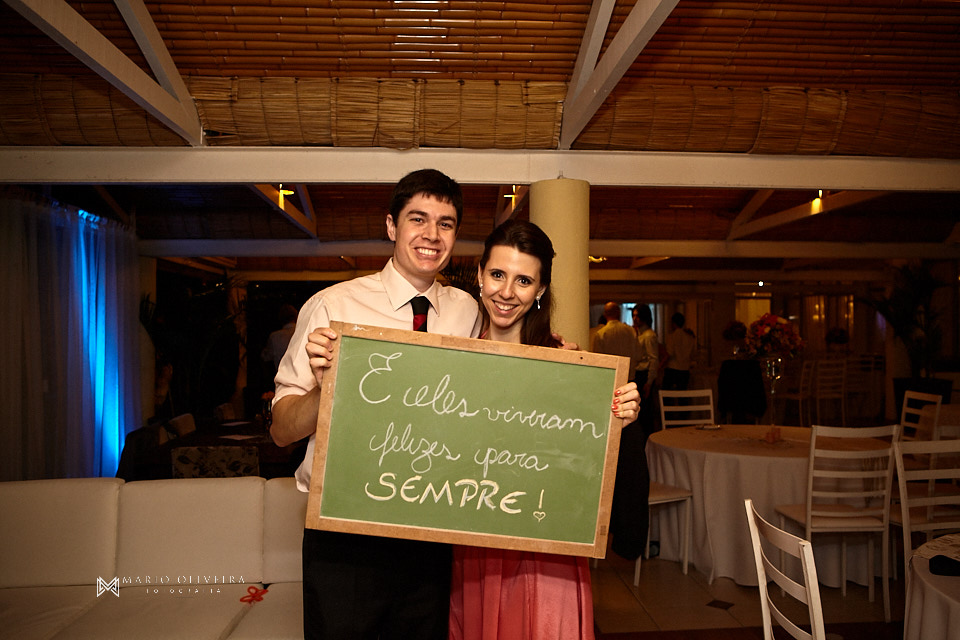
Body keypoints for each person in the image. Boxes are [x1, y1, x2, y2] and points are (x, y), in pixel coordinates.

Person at [270, 169, 482, 639]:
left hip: (431, 525)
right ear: (391, 226)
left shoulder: (467, 311)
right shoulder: (333, 306)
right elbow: (282, 430)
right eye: (418, 219)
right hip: (346, 532)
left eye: (445, 223)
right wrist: (328, 388)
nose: (431, 235)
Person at [449, 220, 639, 640]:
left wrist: (620, 412)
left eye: (523, 280)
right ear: (480, 275)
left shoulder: (565, 363)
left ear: (539, 291)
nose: (506, 291)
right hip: (475, 541)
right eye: (497, 274)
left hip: (546, 543)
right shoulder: (452, 357)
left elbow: (586, 462)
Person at [593, 301, 650, 562]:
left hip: (609, 396)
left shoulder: (602, 335)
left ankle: (619, 527)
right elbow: (639, 359)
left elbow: (599, 363)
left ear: (607, 315)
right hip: (629, 388)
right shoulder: (630, 333)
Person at [632, 303, 659, 435]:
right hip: (638, 374)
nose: (635, 318)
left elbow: (653, 359)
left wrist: (649, 382)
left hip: (645, 375)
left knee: (646, 413)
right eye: (633, 315)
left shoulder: (649, 336)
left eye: (638, 316)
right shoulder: (638, 333)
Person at [261, 303, 298, 381]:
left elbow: (265, 357)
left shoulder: (274, 337)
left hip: (282, 381)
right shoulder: (303, 332)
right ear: (296, 317)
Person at [661, 312, 697, 391]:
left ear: (673, 323)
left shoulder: (672, 336)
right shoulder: (690, 337)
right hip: (685, 370)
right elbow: (693, 354)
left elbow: (669, 353)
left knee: (667, 394)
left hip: (672, 369)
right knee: (683, 395)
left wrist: (661, 365)